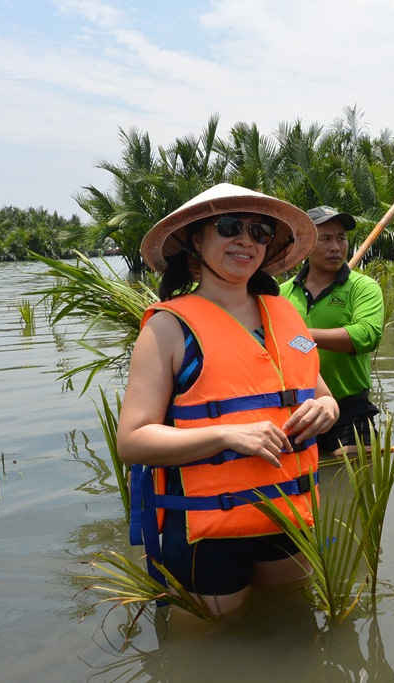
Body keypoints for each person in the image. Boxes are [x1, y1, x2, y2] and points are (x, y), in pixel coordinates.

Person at [118, 183, 340, 616]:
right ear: (196, 241)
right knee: (207, 648)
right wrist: (225, 434)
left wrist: (327, 410)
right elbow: (133, 440)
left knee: (291, 627)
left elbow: (320, 394)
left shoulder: (285, 314)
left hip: (287, 514)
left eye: (259, 232)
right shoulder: (167, 328)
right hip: (206, 530)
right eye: (228, 227)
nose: (246, 240)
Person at [279, 206, 384, 454]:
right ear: (304, 244)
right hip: (298, 410)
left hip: (349, 409)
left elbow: (365, 335)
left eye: (341, 238)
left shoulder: (363, 287)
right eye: (325, 239)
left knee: (353, 484)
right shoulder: (281, 294)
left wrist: (302, 335)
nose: (336, 247)